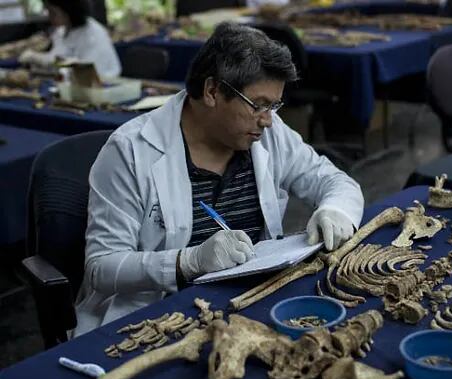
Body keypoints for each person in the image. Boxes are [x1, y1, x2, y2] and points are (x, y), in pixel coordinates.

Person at [73, 22, 364, 335]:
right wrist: (189, 261)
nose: (268, 120)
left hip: (250, 306)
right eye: (259, 105)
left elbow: (336, 181)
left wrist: (335, 210)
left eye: (274, 105)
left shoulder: (268, 132)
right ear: (212, 91)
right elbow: (101, 267)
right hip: (158, 319)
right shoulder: (130, 150)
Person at [19, 0, 121, 79]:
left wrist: (41, 61)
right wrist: (36, 58)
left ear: (68, 11)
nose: (49, 16)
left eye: (53, 12)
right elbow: (56, 59)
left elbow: (90, 72)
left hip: (102, 84)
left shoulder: (92, 34)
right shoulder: (62, 30)